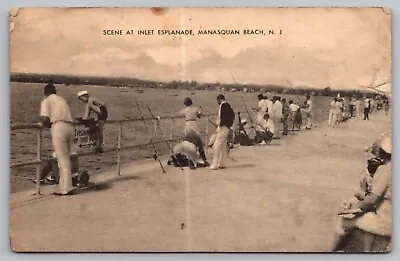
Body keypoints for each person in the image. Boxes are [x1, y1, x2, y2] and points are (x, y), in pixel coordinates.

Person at [332, 134, 392, 252]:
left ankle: (331, 252)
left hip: (385, 220)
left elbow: (372, 201)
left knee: (344, 221)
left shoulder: (387, 169)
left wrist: (354, 207)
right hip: (388, 217)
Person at [40, 83, 75, 196]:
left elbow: (45, 118)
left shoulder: (47, 101)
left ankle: (65, 189)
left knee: (62, 159)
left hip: (58, 127)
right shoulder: (62, 99)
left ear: (46, 93)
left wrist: (48, 125)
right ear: (55, 91)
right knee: (68, 158)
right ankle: (68, 185)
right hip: (70, 126)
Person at [209, 94, 235, 170]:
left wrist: (220, 124)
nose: (217, 102)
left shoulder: (223, 105)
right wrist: (229, 124)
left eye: (217, 100)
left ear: (220, 99)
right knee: (223, 146)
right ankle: (222, 163)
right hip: (226, 127)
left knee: (216, 145)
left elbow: (222, 117)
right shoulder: (228, 105)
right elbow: (232, 115)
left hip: (223, 128)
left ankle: (215, 164)